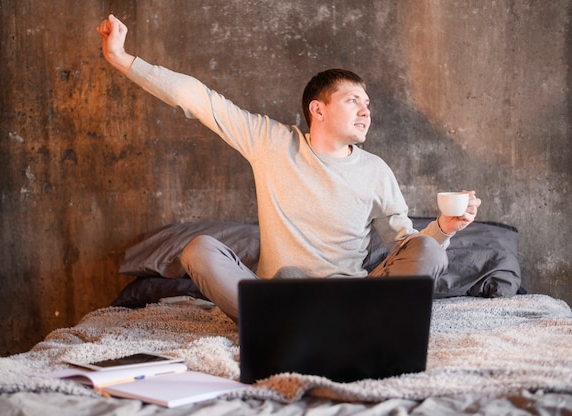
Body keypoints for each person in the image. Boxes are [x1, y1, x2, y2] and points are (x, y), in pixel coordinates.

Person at [96, 14, 482, 321]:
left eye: (368, 104)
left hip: (352, 299)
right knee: (198, 249)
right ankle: (273, 320)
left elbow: (404, 246)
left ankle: (359, 322)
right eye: (353, 101)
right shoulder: (272, 142)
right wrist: (123, 59)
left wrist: (443, 230)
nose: (366, 111)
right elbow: (200, 100)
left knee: (430, 252)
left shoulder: (375, 170)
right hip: (276, 299)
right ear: (319, 108)